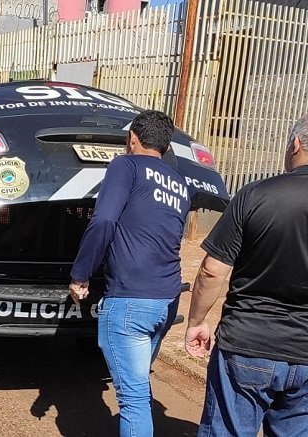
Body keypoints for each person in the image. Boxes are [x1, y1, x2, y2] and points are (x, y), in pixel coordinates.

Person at [185, 115, 308, 436]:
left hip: (248, 343)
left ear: (296, 144)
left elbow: (212, 270)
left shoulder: (255, 194)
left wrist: (196, 321)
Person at [70, 110, 190, 437]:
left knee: (133, 398)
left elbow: (104, 220)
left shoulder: (126, 166)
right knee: (138, 386)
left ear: (132, 139)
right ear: (166, 146)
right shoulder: (179, 183)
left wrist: (81, 274)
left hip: (130, 299)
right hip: (166, 299)